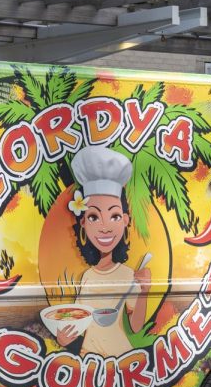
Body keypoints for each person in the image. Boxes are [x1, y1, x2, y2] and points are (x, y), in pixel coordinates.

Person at [54, 146, 150, 356]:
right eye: (94, 217)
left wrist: (144, 292)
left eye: (114, 216)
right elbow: (81, 320)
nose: (105, 226)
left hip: (120, 358)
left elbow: (136, 326)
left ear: (125, 220)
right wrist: (63, 338)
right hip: (88, 358)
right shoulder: (87, 276)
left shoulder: (128, 275)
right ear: (83, 223)